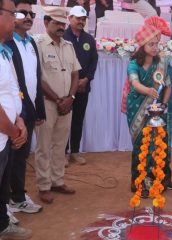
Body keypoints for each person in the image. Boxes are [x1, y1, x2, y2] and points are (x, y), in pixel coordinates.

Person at [35, 6, 81, 204]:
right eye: (57, 23)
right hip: (47, 103)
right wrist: (58, 99)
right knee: (44, 146)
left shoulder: (68, 46)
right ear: (46, 23)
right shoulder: (37, 44)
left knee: (60, 145)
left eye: (63, 23)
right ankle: (44, 185)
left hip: (66, 103)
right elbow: (37, 78)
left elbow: (75, 73)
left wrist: (70, 97)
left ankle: (57, 180)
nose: (61, 27)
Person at [126, 17, 172, 196]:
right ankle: (139, 181)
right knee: (141, 143)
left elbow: (168, 85)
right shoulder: (133, 64)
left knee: (159, 141)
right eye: (151, 44)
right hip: (136, 108)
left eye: (157, 44)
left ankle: (159, 177)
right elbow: (135, 83)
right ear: (142, 46)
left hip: (157, 109)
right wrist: (148, 91)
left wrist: (162, 104)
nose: (155, 47)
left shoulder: (162, 63)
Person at [5, 0, 45, 215]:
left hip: (27, 111)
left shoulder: (31, 43)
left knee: (21, 157)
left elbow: (35, 79)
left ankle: (17, 197)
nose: (29, 17)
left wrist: (38, 110)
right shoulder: (7, 44)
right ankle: (12, 199)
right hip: (12, 112)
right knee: (10, 158)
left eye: (32, 14)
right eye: (23, 13)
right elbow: (14, 82)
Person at [0, 0, 31, 238]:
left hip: (7, 133)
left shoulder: (5, 51)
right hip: (5, 133)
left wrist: (19, 120)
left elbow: (12, 91)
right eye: (14, 13)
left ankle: (3, 225)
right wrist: (14, 131)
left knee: (2, 188)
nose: (16, 18)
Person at [64, 6, 98, 165]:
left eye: (83, 19)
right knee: (63, 120)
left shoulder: (89, 39)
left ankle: (75, 152)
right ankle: (63, 152)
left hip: (83, 87)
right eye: (78, 18)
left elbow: (94, 60)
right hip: (65, 87)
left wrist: (87, 79)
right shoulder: (63, 36)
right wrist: (72, 82)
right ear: (69, 18)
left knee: (78, 119)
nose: (81, 21)